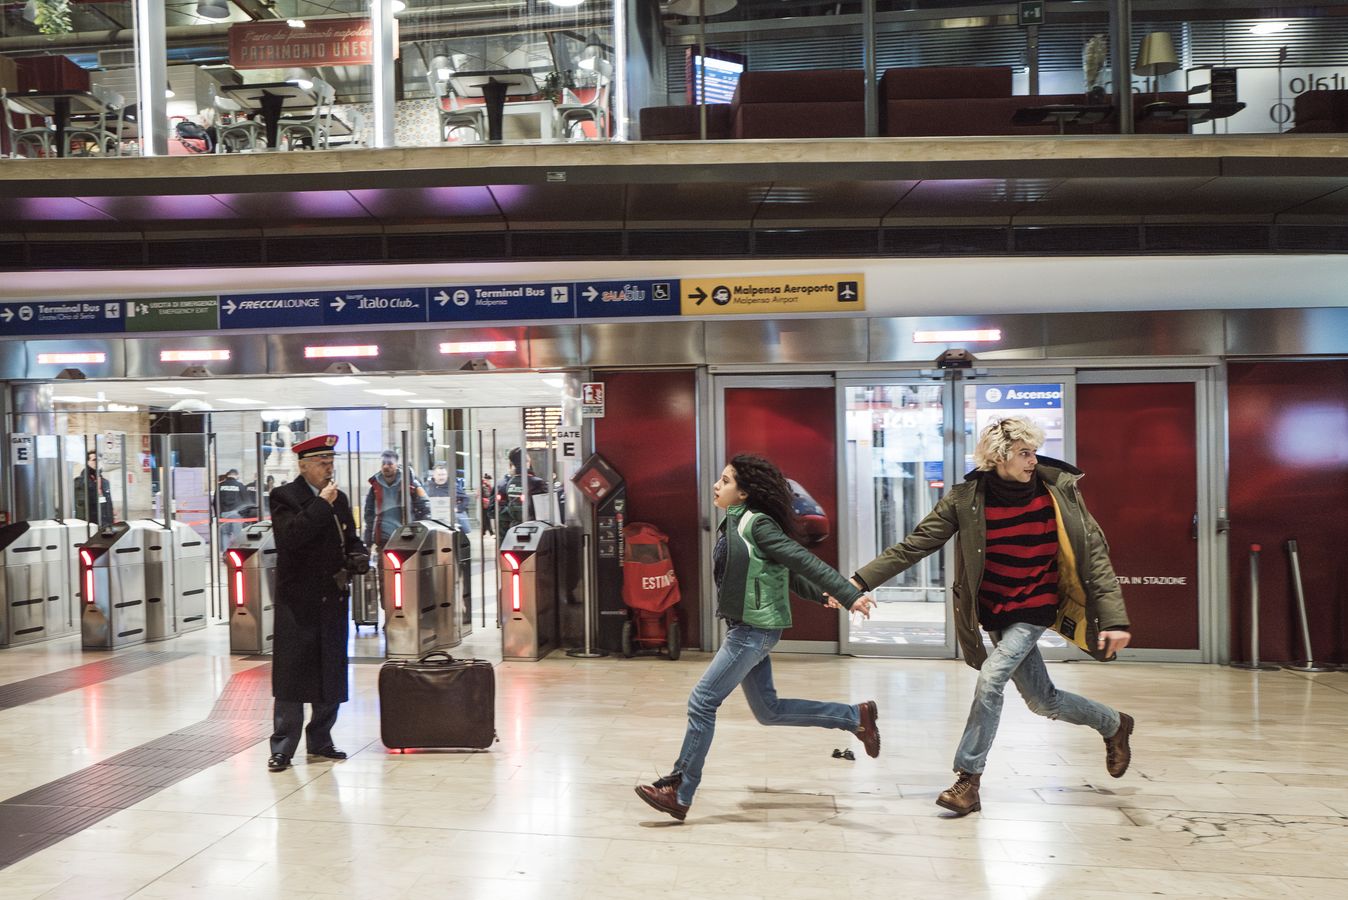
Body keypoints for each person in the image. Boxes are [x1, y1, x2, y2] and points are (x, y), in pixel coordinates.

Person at [847, 416, 1134, 817]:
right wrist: (859, 581)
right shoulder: (967, 499)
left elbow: (1095, 555)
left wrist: (1115, 618)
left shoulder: (1058, 492)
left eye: (1033, 451)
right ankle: (1113, 723)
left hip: (1036, 606)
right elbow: (914, 545)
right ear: (999, 457)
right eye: (1024, 453)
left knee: (991, 678)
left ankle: (968, 780)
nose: (1033, 460)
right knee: (1043, 700)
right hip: (996, 611)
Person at [634, 453, 880, 823]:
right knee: (769, 711)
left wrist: (848, 593)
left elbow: (802, 560)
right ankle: (855, 717)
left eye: (726, 480)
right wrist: (821, 595)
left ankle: (679, 790)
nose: (718, 485)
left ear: (745, 493)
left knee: (702, 702)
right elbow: (782, 575)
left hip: (753, 631)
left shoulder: (756, 525)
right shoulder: (736, 523)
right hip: (749, 627)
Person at [266, 435, 368, 773]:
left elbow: (350, 537)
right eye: (322, 461)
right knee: (293, 675)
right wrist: (322, 504)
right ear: (304, 465)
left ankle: (321, 740)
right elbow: (291, 538)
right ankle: (283, 746)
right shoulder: (284, 497)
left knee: (330, 672)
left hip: (332, 599)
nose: (329, 467)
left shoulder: (340, 499)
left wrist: (358, 555)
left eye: (330, 460)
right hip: (299, 602)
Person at [362, 449, 431, 548]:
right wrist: (368, 542)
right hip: (382, 541)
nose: (386, 466)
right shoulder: (375, 487)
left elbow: (425, 507)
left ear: (396, 465)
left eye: (390, 463)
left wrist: (422, 534)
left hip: (407, 539)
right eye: (383, 463)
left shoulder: (411, 484)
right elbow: (369, 515)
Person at [493, 448, 549, 536]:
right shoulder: (537, 482)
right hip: (533, 528)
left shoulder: (509, 483)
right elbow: (545, 509)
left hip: (514, 528)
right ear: (526, 462)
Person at [425, 462, 471, 534]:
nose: (442, 477)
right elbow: (424, 502)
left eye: (444, 475)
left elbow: (466, 498)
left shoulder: (453, 486)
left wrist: (458, 509)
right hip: (435, 521)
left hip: (452, 520)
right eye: (439, 475)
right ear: (434, 475)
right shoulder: (428, 487)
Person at [73, 450, 114, 527]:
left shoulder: (105, 482)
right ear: (87, 462)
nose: (97, 462)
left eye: (98, 460)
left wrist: (111, 523)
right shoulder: (80, 482)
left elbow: (109, 505)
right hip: (90, 526)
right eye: (94, 460)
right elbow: (80, 508)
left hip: (105, 525)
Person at [216, 468, 247, 546]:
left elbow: (215, 501)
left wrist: (218, 514)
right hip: (236, 514)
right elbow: (246, 501)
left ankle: (225, 553)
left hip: (224, 513)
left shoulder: (220, 485)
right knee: (238, 535)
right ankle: (237, 553)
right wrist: (244, 514)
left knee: (225, 534)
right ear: (236, 475)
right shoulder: (240, 485)